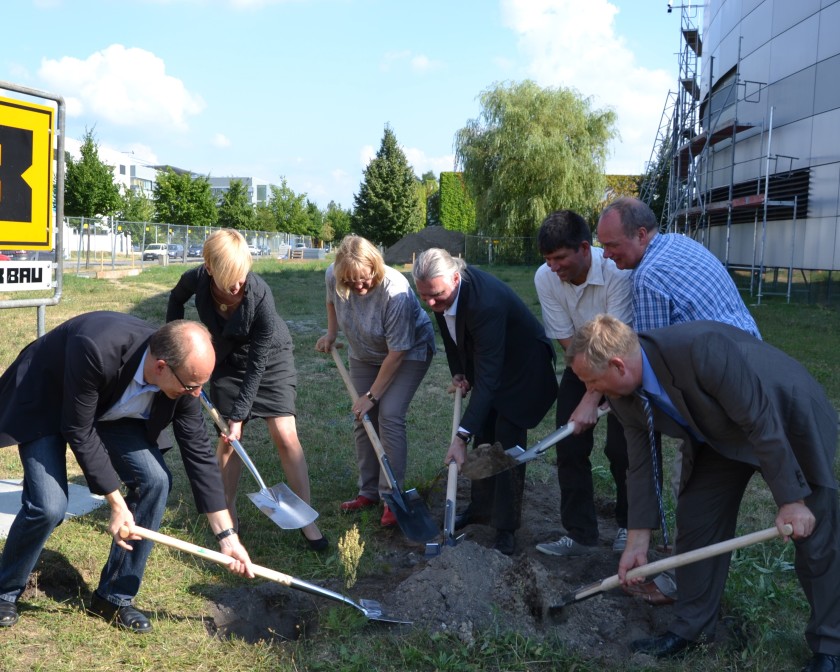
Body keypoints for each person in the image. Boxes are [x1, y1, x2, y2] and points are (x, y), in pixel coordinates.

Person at [567, 314, 840, 672]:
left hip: (784, 415)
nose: (591, 391)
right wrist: (637, 541)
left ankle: (830, 646)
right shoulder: (621, 393)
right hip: (718, 431)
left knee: (816, 532)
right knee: (697, 516)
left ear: (618, 364)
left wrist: (791, 500)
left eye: (591, 381)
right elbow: (641, 464)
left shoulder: (699, 349)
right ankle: (690, 628)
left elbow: (759, 419)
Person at [0, 312, 254, 633]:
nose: (196, 393)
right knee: (48, 505)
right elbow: (78, 429)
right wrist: (117, 505)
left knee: (156, 481)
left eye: (200, 385)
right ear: (161, 367)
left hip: (112, 407)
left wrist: (227, 537)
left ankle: (113, 598)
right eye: (192, 385)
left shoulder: (187, 377)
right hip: (49, 398)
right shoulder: (96, 346)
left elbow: (199, 453)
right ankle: (5, 590)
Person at [597, 196, 761, 603]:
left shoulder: (648, 277)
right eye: (603, 245)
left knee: (693, 494)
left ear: (640, 234)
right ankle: (686, 576)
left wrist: (616, 398)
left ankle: (684, 585)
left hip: (720, 393)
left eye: (613, 245)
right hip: (754, 362)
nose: (608, 254)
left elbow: (658, 361)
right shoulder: (681, 244)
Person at [167, 229, 326, 551]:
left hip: (269, 360)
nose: (238, 285)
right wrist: (175, 346)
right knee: (228, 442)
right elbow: (175, 299)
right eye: (230, 279)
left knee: (285, 434)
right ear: (209, 268)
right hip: (225, 360)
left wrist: (239, 415)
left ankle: (306, 519)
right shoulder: (197, 278)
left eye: (241, 277)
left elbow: (257, 363)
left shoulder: (260, 294)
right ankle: (227, 517)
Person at [412, 248, 558, 556]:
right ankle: (481, 508)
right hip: (492, 365)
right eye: (424, 296)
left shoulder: (485, 303)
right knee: (485, 438)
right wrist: (460, 372)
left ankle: (506, 528)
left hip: (523, 372)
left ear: (455, 276)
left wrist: (460, 437)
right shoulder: (444, 295)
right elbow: (451, 334)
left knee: (505, 446)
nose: (431, 304)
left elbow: (490, 379)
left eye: (436, 295)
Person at [315, 235, 435, 527]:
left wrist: (372, 395)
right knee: (362, 416)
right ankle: (368, 491)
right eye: (351, 281)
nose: (359, 286)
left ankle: (392, 497)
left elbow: (397, 353)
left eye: (365, 279)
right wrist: (332, 334)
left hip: (408, 351)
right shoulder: (334, 274)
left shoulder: (395, 291)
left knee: (389, 415)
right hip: (364, 352)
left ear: (376, 267)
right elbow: (332, 301)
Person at [533, 210, 633, 557]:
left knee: (623, 450)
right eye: (548, 260)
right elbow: (567, 341)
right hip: (580, 362)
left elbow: (617, 343)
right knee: (570, 443)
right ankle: (579, 533)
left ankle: (629, 526)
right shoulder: (545, 278)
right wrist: (587, 389)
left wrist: (594, 399)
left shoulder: (616, 274)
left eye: (560, 258)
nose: (554, 267)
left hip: (622, 364)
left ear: (585, 248)